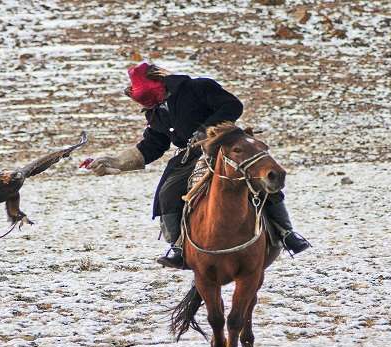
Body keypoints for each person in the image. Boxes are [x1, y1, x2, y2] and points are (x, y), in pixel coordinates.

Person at [88, 62, 310, 269]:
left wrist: (207, 128)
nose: (152, 104)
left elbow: (232, 105)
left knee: (260, 178)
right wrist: (117, 161)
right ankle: (178, 246)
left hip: (227, 144)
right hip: (188, 156)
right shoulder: (155, 113)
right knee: (167, 193)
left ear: (159, 84)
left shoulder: (197, 87)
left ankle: (285, 232)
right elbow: (154, 144)